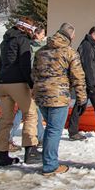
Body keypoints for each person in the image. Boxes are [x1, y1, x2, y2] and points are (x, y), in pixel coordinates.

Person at [33, 23, 87, 175]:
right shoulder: (69, 52)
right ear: (69, 36)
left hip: (41, 94)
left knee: (50, 128)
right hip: (58, 95)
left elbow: (34, 73)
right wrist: (82, 97)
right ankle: (50, 165)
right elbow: (78, 76)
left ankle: (48, 161)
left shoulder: (41, 51)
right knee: (54, 130)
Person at [0, 18, 41, 166]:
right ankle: (30, 150)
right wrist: (31, 84)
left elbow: (2, 64)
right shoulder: (23, 41)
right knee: (30, 113)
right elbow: (24, 65)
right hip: (18, 82)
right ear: (27, 28)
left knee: (5, 119)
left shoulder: (5, 41)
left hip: (3, 83)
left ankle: (1, 154)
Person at [10, 25, 47, 146]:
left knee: (35, 110)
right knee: (26, 110)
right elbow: (29, 64)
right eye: (42, 34)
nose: (44, 36)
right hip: (32, 80)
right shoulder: (29, 47)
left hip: (35, 80)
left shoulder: (41, 47)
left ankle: (40, 137)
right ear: (36, 34)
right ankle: (10, 135)